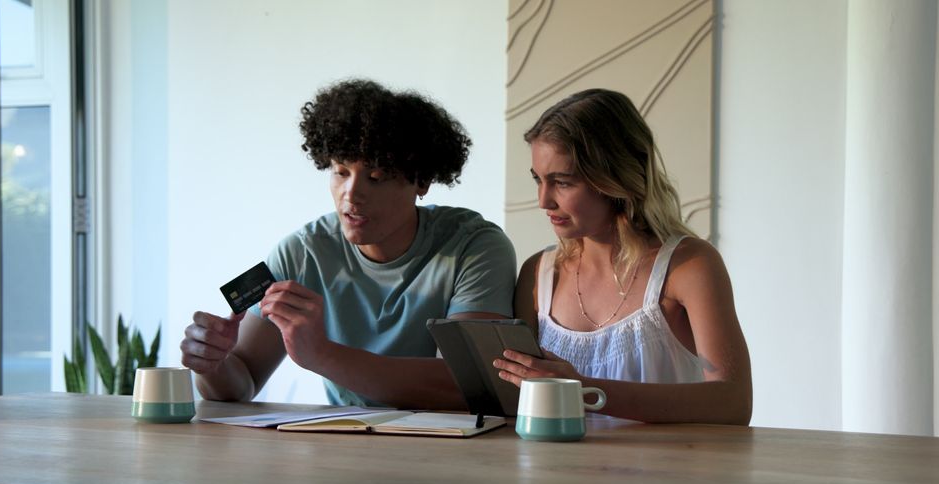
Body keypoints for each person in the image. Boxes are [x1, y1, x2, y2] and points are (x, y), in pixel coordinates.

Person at [181, 79, 516, 410]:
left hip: (453, 451)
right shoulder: (301, 255)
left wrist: (322, 354)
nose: (351, 195)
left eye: (375, 177)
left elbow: (470, 385)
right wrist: (212, 364)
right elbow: (240, 383)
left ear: (422, 180)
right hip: (344, 447)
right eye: (340, 171)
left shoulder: (474, 247)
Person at [493, 88, 752, 425]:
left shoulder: (689, 266)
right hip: (555, 476)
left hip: (666, 476)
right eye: (538, 180)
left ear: (614, 178)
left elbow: (733, 403)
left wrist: (584, 389)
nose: (544, 200)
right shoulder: (538, 274)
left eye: (563, 182)